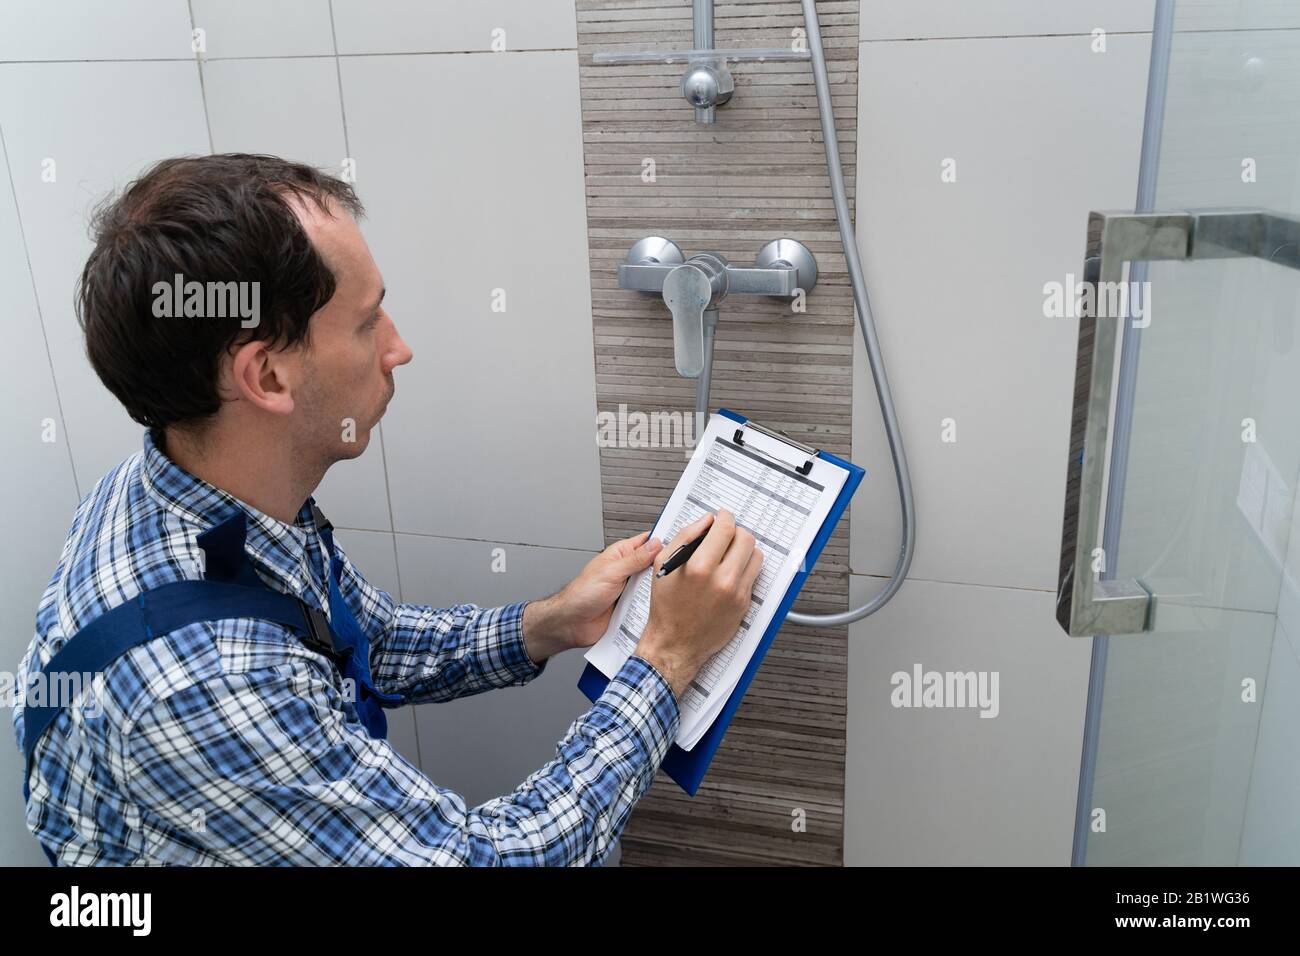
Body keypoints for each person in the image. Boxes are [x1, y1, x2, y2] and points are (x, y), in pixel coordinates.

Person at [11, 154, 763, 866]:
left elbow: (361, 639)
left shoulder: (185, 491)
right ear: (266, 374)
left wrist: (548, 624)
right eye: (369, 322)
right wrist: (665, 660)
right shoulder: (202, 686)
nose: (398, 348)